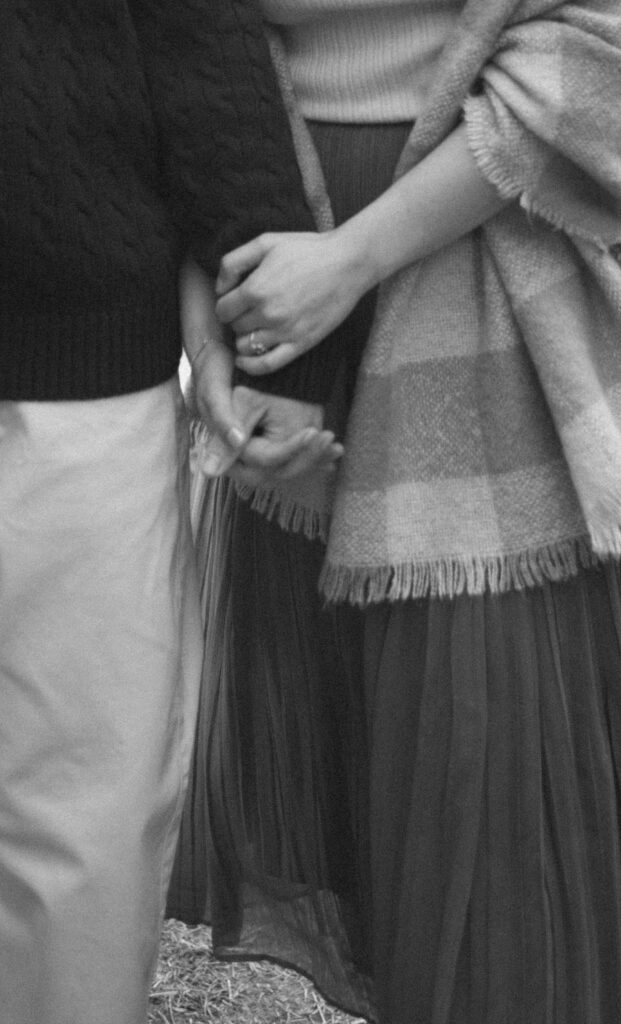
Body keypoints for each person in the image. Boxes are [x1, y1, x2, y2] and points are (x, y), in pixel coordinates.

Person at [168, 0, 621, 1022]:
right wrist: (212, 319)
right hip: (275, 276)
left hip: (488, 286)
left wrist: (352, 259)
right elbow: (163, 47)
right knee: (391, 813)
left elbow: (589, 59)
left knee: (499, 824)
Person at [0, 2, 338, 1023]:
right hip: (76, 363)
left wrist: (283, 349)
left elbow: (202, 49)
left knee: (80, 802)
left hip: (73, 373)